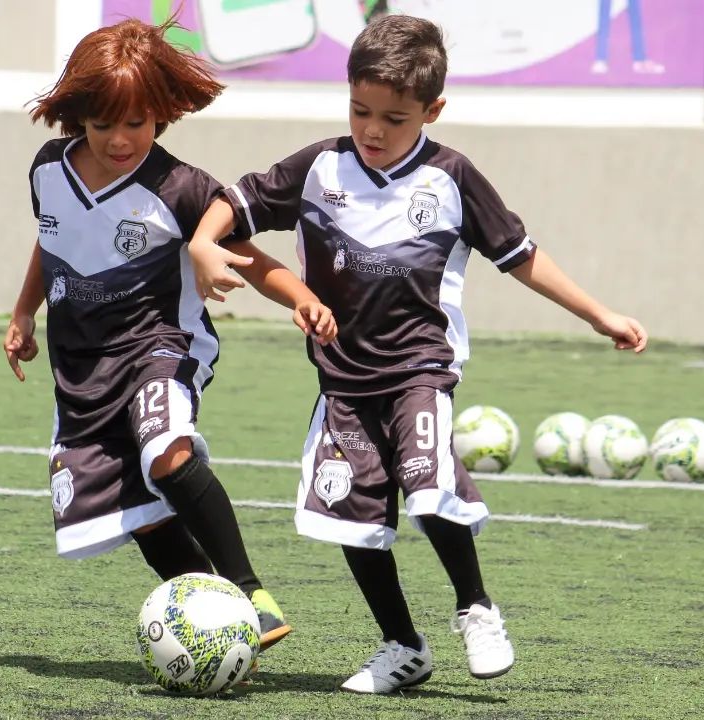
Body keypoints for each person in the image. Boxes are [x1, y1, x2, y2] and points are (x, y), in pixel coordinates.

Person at [188, 14, 647, 694]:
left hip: (420, 371)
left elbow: (520, 257)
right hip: (343, 380)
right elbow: (235, 200)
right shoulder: (321, 169)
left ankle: (476, 606)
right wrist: (203, 244)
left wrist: (600, 313)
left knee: (428, 482)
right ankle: (402, 645)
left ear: (432, 110)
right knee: (347, 512)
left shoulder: (451, 178)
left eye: (394, 118)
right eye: (360, 110)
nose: (372, 130)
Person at [2, 17, 337, 652]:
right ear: (77, 116)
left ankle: (251, 595)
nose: (120, 139)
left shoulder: (181, 188)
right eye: (103, 125)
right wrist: (24, 313)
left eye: (136, 122)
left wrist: (301, 297)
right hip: (80, 364)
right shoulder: (48, 169)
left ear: (161, 111)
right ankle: (218, 626)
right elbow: (52, 243)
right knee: (136, 511)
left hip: (162, 344)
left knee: (165, 452)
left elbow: (248, 257)